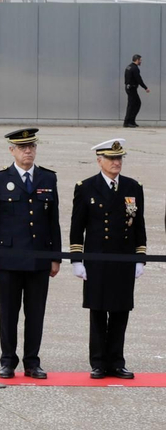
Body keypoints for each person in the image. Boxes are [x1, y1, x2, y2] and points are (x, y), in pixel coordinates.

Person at [0, 129, 60, 380]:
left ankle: (32, 362)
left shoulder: (48, 178)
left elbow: (53, 220)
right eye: (22, 147)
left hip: (38, 258)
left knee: (35, 313)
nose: (28, 151)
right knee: (8, 313)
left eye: (31, 146)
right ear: (11, 150)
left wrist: (55, 256)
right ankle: (7, 361)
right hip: (9, 258)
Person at [69, 138, 145, 380]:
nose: (116, 162)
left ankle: (117, 361)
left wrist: (140, 257)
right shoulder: (86, 187)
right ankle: (99, 362)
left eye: (119, 158)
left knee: (121, 311)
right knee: (99, 311)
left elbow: (138, 224)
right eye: (111, 158)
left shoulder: (133, 187)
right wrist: (76, 258)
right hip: (97, 258)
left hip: (123, 258)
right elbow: (77, 225)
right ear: (99, 160)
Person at [123, 55, 148, 128]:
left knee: (135, 104)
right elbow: (138, 79)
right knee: (132, 105)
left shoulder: (129, 67)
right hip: (131, 88)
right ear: (137, 60)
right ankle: (127, 122)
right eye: (140, 60)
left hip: (129, 87)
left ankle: (131, 121)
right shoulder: (135, 68)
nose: (141, 61)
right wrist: (145, 87)